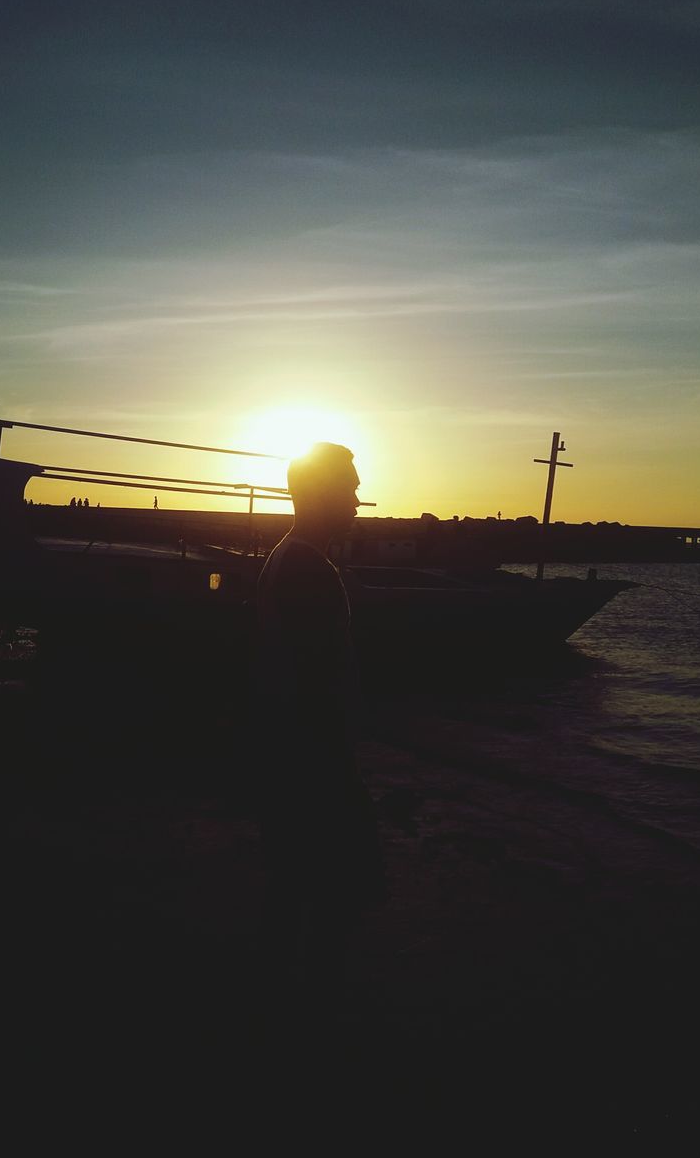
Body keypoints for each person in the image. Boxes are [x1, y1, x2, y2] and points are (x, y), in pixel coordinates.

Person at [254, 441, 384, 1033]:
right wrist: (337, 759)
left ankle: (293, 1001)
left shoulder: (289, 558)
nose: (358, 499)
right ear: (317, 493)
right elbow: (313, 676)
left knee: (296, 886)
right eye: (349, 486)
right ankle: (316, 1016)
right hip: (313, 759)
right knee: (338, 888)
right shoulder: (307, 568)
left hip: (296, 753)